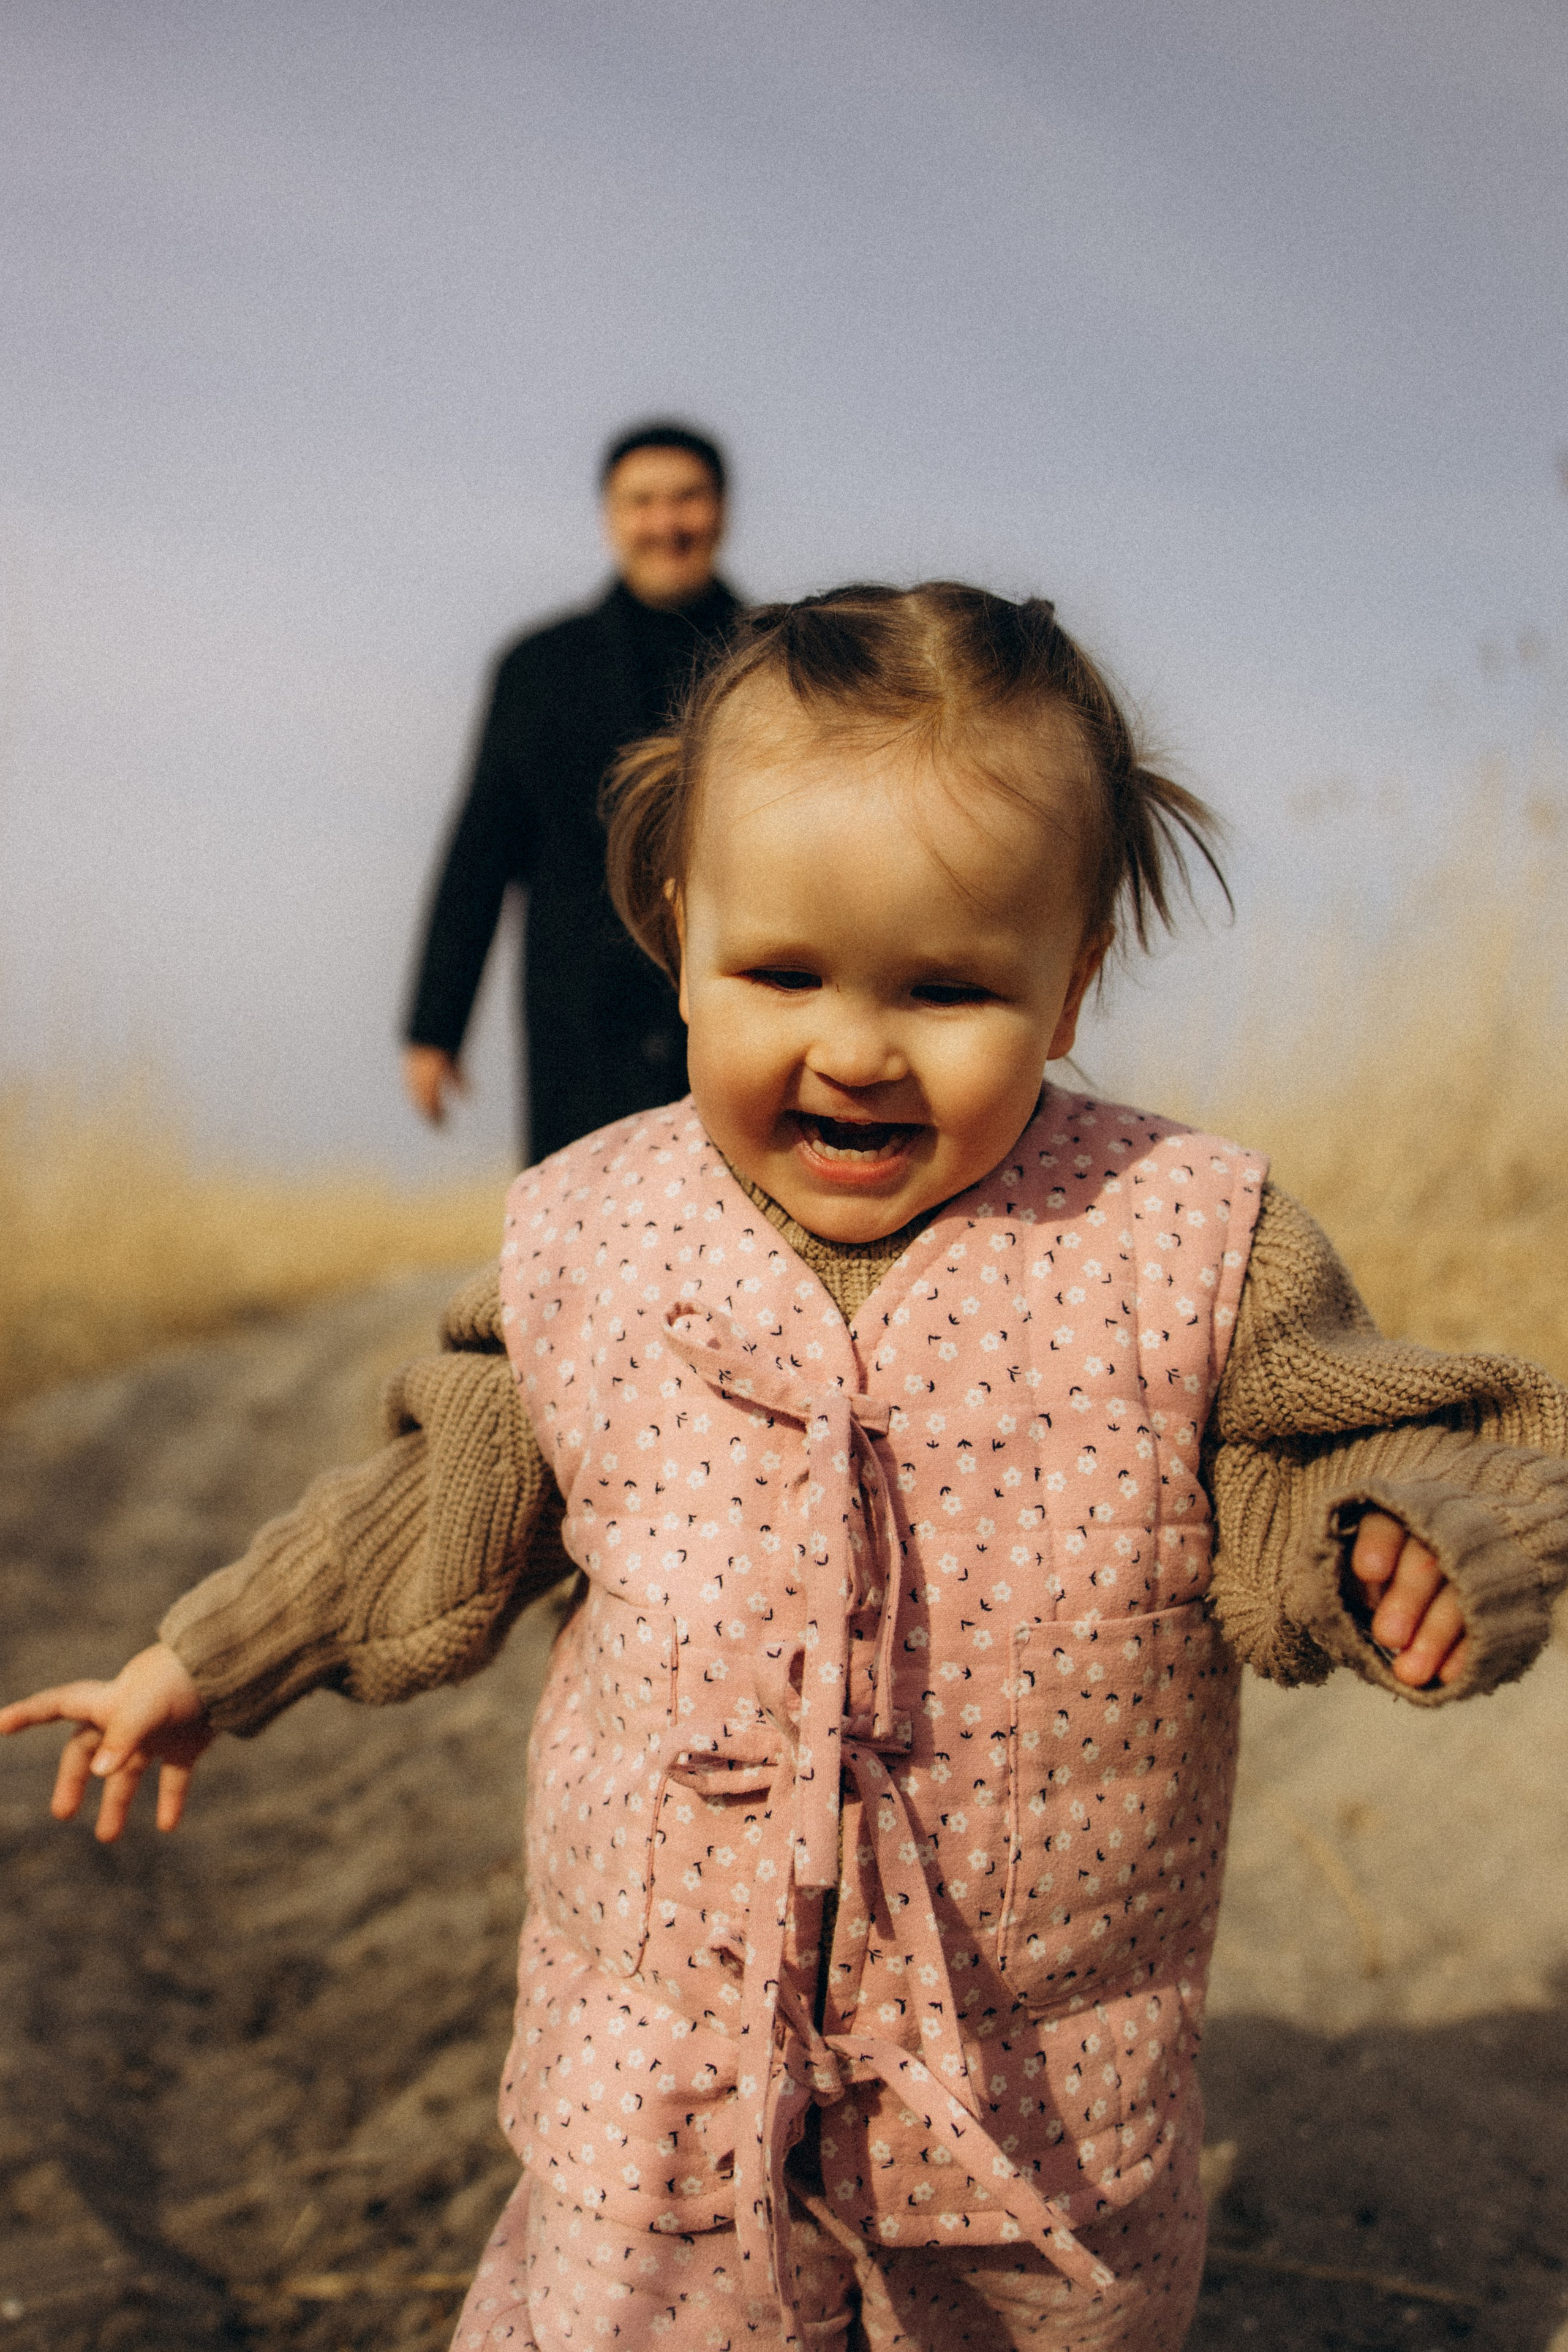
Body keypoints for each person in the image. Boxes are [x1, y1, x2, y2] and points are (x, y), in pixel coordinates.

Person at [6, 584, 1567, 2352]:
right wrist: (211, 1657)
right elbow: (428, 1512)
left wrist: (1402, 1547)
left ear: (1070, 989)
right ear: (677, 939)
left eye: (950, 987)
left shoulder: (1183, 1243)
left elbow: (1329, 1472)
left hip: (1032, 2123)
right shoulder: (598, 1244)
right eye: (783, 973)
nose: (853, 1045)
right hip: (658, 2092)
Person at [403, 420, 742, 1162]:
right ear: (608, 520)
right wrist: (435, 1026)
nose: (666, 523)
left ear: (722, 510)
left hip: (740, 1004)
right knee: (580, 1237)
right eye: (641, 501)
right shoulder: (538, 666)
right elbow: (481, 848)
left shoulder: (774, 658)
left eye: (686, 499)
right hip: (579, 1010)